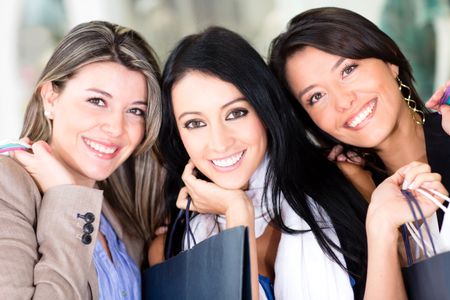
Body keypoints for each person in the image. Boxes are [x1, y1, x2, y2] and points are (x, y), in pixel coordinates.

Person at [148, 26, 446, 300]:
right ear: (177, 134)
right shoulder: (171, 249)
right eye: (194, 123)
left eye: (236, 113)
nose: (220, 142)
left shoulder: (341, 187)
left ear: (265, 110)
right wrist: (237, 214)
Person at [268, 6, 450, 298]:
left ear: (389, 61)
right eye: (316, 97)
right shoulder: (341, 202)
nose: (343, 101)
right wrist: (377, 223)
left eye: (348, 70)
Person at [0, 21, 164, 299]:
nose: (116, 127)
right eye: (97, 101)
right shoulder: (7, 185)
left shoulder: (117, 203)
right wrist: (66, 199)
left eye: (135, 110)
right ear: (50, 98)